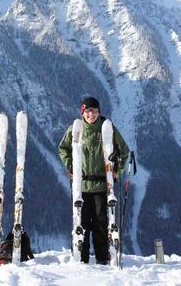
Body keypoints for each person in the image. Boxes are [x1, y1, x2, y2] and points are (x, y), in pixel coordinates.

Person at [58, 96, 130, 264]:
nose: (91, 114)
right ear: (83, 111)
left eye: (95, 111)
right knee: (81, 223)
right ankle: (81, 259)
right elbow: (63, 148)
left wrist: (116, 170)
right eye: (88, 111)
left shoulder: (107, 128)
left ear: (99, 112)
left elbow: (124, 150)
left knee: (100, 222)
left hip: (101, 185)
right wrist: (71, 166)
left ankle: (102, 258)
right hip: (80, 186)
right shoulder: (76, 128)